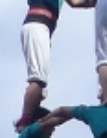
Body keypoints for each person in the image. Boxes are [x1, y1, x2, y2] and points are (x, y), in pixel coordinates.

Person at [17, 0, 96, 131]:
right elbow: (75, 2)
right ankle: (25, 121)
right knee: (38, 79)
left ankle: (32, 116)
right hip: (38, 25)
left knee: (41, 85)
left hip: (39, 26)